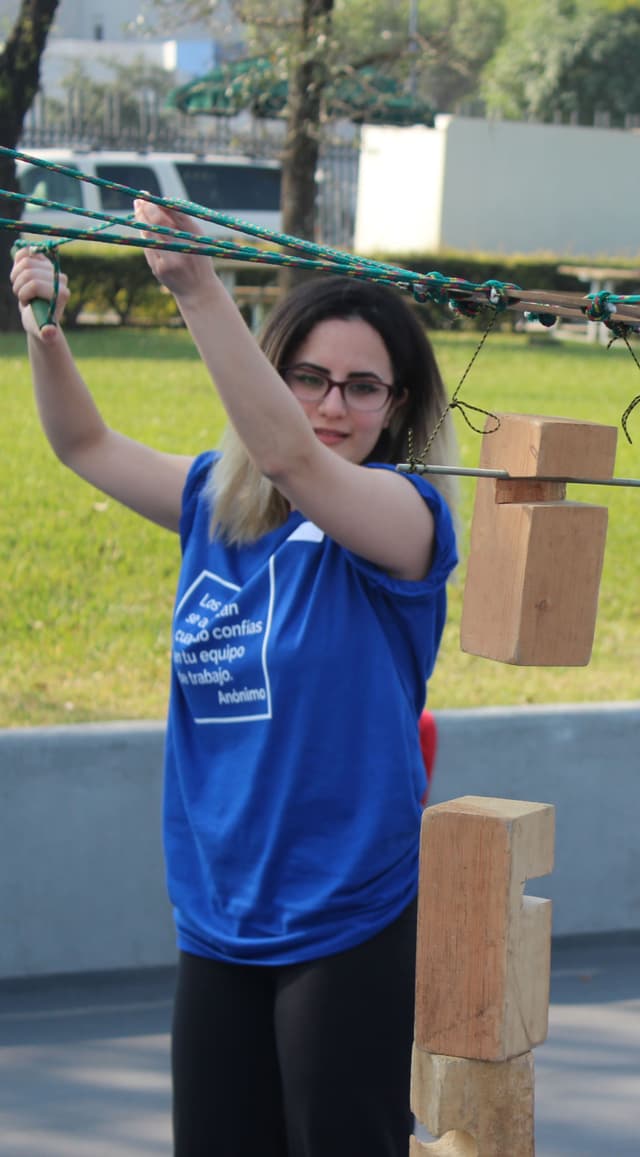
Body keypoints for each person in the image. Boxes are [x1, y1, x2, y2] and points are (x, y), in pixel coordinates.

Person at [10, 205, 458, 1157]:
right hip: (218, 912)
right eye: (308, 377)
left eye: (362, 387)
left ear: (399, 406)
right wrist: (45, 334)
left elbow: (293, 458)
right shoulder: (215, 505)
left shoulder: (405, 518)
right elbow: (84, 446)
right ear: (275, 373)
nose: (331, 406)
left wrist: (194, 284)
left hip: (347, 912)